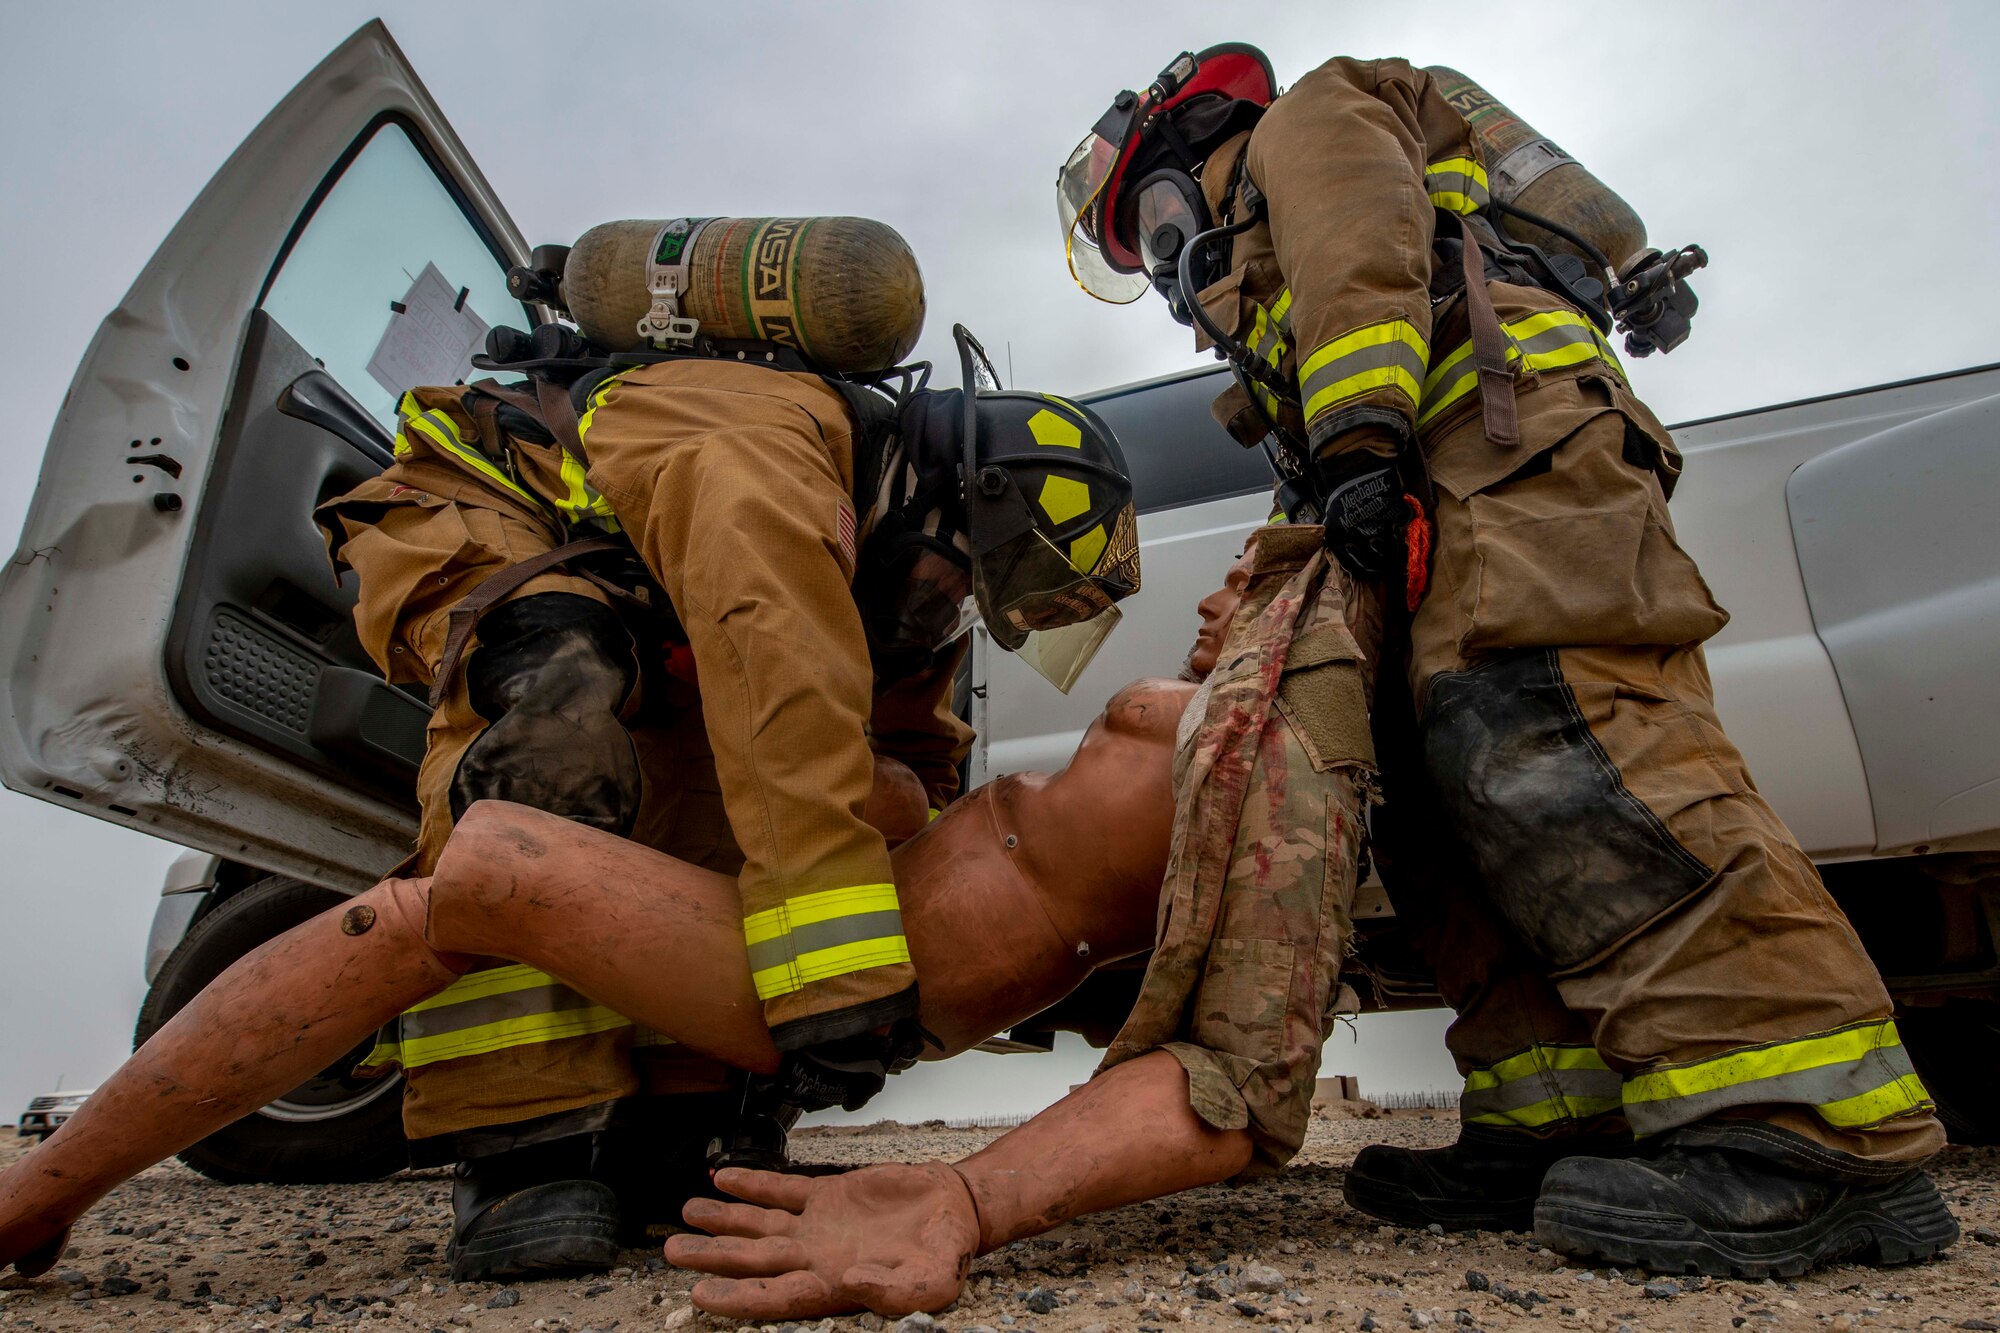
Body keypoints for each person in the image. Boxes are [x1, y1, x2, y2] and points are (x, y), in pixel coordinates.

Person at [1055, 45, 1956, 1276]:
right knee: (1439, 799)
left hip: (1498, 435)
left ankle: (1812, 1135)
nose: (1161, 254)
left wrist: (1359, 436)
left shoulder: (1303, 120)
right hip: (1421, 456)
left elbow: (1363, 240)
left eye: (1148, 218)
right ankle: (1548, 1114)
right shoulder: (1260, 274)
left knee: (1561, 740)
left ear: (1186, 138)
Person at [0, 526, 1376, 1321]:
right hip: (864, 908)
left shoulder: (1297, 736)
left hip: (873, 970)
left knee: (473, 880)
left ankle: (41, 1193)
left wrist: (963, 1197)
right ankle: (52, 1190)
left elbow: (1239, 1083)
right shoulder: (1235, 708)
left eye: (1248, 579)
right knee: (527, 839)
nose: (1209, 599)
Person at [314, 308, 1139, 1278]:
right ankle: (517, 1143)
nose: (947, 609)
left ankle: (673, 1120)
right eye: (961, 580)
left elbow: (912, 772)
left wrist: (915, 914)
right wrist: (837, 992)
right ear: (954, 498)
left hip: (647, 572)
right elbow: (783, 685)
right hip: (486, 501)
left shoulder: (915, 574)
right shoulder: (775, 450)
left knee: (723, 779)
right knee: (559, 713)